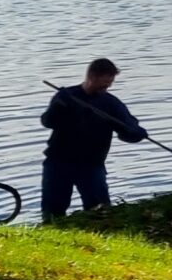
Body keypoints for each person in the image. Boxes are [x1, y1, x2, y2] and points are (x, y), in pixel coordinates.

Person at [39, 58, 148, 220]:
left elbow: (127, 129)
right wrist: (58, 107)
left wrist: (137, 133)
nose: (107, 88)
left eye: (109, 84)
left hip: (91, 165)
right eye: (104, 84)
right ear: (92, 77)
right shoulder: (67, 97)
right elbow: (48, 122)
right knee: (53, 211)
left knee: (100, 211)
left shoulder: (111, 104)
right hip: (59, 162)